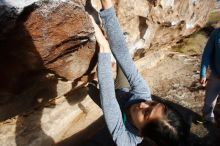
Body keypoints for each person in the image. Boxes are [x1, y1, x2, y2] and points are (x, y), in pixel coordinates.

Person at [88, 0, 188, 145]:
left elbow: (108, 98)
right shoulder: (143, 95)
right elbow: (124, 56)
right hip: (123, 92)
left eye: (146, 113)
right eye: (152, 103)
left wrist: (104, 47)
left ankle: (93, 83)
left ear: (142, 132)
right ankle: (120, 45)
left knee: (91, 90)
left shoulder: (125, 140)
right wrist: (108, 8)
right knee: (123, 61)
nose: (143, 104)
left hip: (112, 100)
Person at [200, 28, 220, 124]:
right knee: (209, 102)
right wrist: (203, 73)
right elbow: (207, 54)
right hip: (216, 74)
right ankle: (208, 118)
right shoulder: (216, 33)